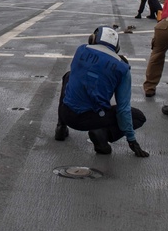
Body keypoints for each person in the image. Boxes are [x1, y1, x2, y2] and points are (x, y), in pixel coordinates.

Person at [54, 26, 149, 157]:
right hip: (90, 119)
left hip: (67, 113)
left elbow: (86, 74)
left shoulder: (81, 50)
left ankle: (61, 126)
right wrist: (131, 140)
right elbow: (123, 109)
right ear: (117, 47)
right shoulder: (122, 68)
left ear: (92, 39)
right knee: (138, 117)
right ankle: (102, 135)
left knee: (68, 76)